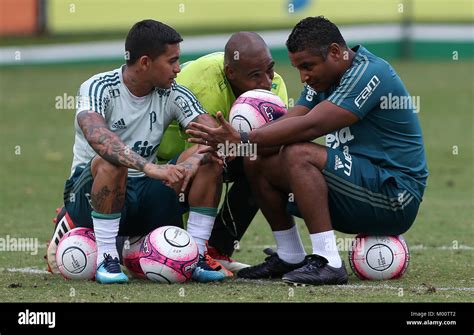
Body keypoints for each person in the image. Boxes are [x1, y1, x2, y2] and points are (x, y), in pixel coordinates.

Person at [186, 16, 428, 286]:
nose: (303, 77)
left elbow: (311, 125)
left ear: (335, 52)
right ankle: (290, 256)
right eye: (298, 68)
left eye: (308, 66)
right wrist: (241, 143)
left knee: (297, 153)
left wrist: (243, 137)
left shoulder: (370, 73)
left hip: (395, 196)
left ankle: (329, 263)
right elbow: (292, 118)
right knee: (257, 155)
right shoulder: (322, 81)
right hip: (357, 187)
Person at [47, 19, 227, 284]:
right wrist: (148, 166)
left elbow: (214, 137)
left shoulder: (174, 93)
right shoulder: (99, 87)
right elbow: (97, 135)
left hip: (146, 191)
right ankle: (106, 258)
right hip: (88, 193)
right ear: (145, 62)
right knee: (113, 159)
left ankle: (196, 256)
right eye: (172, 61)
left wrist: (195, 162)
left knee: (210, 159)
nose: (178, 69)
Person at [156, 32, 289, 272]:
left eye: (269, 70)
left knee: (264, 163)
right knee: (208, 160)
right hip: (162, 161)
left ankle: (217, 248)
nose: (267, 82)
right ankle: (190, 249)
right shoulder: (202, 82)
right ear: (230, 73)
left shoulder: (275, 85)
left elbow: (276, 142)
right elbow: (199, 152)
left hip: (222, 153)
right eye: (255, 76)